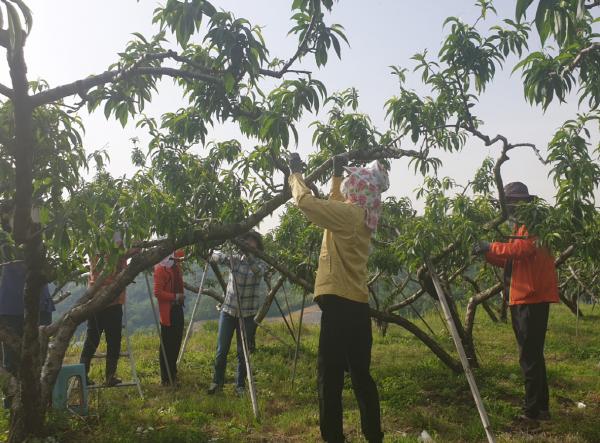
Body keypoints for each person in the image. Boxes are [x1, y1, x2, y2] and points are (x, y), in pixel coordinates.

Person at [287, 153, 388, 443]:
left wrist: (295, 175)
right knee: (360, 375)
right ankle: (374, 436)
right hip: (358, 304)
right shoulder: (361, 216)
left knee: (329, 376)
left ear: (357, 188)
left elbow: (306, 203)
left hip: (339, 304)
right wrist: (335, 175)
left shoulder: (348, 216)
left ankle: (333, 437)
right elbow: (336, 203)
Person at [473, 182, 559, 423]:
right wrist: (487, 253)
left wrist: (490, 245)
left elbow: (521, 250)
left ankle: (532, 412)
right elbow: (512, 260)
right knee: (534, 355)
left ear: (522, 202)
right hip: (526, 296)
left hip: (531, 297)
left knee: (529, 357)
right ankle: (541, 408)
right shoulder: (521, 227)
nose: (509, 207)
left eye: (511, 202)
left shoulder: (533, 224)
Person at [0, 212, 55, 408]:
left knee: (37, 358)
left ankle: (36, 405)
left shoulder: (35, 235)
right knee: (17, 360)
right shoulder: (6, 240)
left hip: (30, 304)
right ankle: (17, 406)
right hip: (12, 306)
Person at [207, 231, 265, 396]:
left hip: (247, 315)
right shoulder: (235, 259)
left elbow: (258, 272)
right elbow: (217, 256)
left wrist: (249, 256)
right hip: (228, 311)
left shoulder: (261, 262)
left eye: (252, 242)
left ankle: (240, 386)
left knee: (243, 352)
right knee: (222, 349)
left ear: (257, 246)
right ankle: (217, 382)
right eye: (247, 241)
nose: (249, 244)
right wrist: (213, 253)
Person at [79, 231, 138, 387]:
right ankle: (106, 376)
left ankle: (87, 375)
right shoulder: (109, 244)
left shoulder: (95, 240)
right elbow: (119, 253)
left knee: (94, 339)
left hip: (97, 297)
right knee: (110, 339)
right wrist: (137, 247)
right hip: (110, 298)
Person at [154, 249, 186, 386]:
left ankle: (173, 374)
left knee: (176, 342)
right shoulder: (160, 269)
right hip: (168, 311)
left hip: (177, 308)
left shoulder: (174, 265)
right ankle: (166, 378)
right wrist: (175, 296)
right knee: (167, 345)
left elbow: (182, 251)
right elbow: (157, 292)